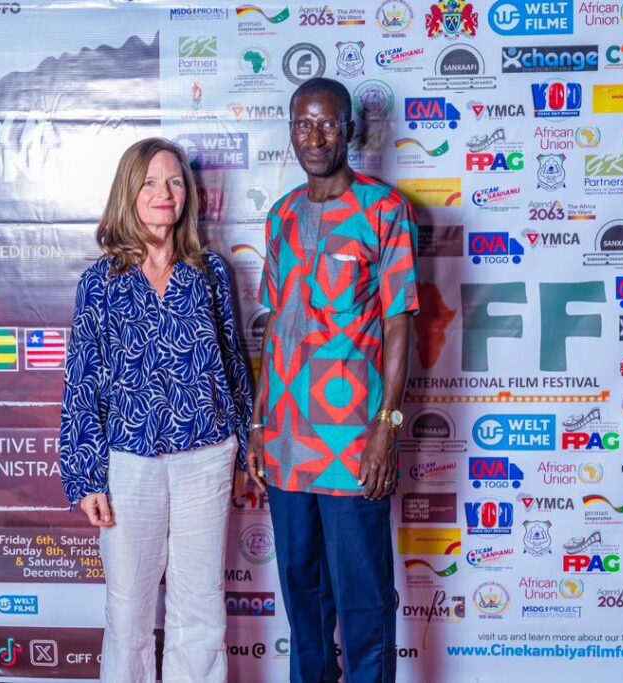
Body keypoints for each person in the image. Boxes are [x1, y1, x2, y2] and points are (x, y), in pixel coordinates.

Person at [59, 137, 252, 683]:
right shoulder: (100, 282)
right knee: (128, 614)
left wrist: (246, 450)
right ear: (129, 192)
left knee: (201, 611)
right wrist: (85, 476)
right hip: (130, 462)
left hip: (207, 456)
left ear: (188, 194)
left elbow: (234, 363)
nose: (163, 192)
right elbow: (82, 380)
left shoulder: (211, 272)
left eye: (174, 181)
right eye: (149, 182)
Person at [246, 77, 419, 683]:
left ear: (350, 129)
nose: (314, 137)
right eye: (303, 124)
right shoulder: (282, 215)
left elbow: (399, 323)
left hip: (352, 441)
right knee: (303, 594)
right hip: (287, 442)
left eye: (326, 124)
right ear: (290, 131)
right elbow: (275, 323)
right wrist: (259, 422)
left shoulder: (385, 210)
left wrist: (387, 427)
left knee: (363, 598)